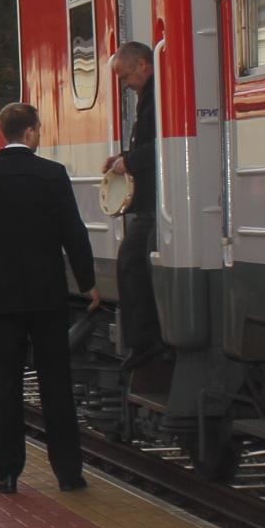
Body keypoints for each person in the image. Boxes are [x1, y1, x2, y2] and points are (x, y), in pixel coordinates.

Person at [0, 99, 101, 494]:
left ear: (4, 133)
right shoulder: (52, 175)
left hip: (2, 299)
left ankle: (5, 473)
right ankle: (69, 474)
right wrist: (87, 282)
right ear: (31, 131)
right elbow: (74, 232)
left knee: (7, 384)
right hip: (47, 297)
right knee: (56, 383)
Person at [102, 40, 166, 365]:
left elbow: (163, 144)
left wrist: (128, 161)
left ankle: (146, 345)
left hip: (157, 201)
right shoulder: (152, 93)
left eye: (126, 76)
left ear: (143, 64)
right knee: (133, 263)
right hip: (154, 201)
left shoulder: (158, 94)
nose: (125, 84)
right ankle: (145, 343)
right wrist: (123, 157)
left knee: (131, 263)